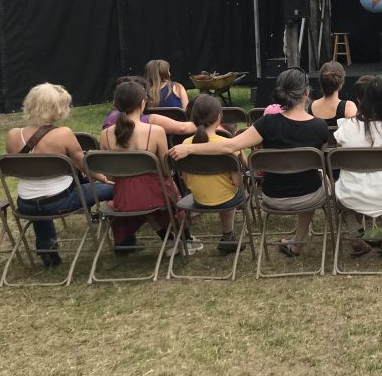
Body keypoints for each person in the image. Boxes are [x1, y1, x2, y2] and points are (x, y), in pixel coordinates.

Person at [169, 68, 330, 258]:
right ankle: (298, 242)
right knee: (320, 181)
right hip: (308, 197)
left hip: (271, 197)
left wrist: (189, 148)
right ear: (306, 93)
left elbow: (230, 146)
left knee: (311, 183)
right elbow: (319, 162)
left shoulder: (266, 123)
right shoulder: (320, 126)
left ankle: (296, 242)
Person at [6, 83, 114, 267]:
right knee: (117, 188)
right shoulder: (63, 134)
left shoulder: (13, 135)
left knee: (40, 196)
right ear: (55, 108)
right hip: (62, 201)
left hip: (26, 204)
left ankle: (47, 250)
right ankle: (126, 239)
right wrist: (104, 179)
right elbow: (85, 166)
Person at [100, 80, 199, 254]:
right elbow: (165, 170)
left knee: (152, 191)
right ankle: (183, 239)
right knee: (167, 189)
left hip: (123, 198)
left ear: (116, 105)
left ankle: (169, 239)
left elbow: (111, 176)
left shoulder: (105, 135)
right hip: (154, 196)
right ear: (142, 103)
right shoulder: (156, 131)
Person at [332, 75, 382, 255]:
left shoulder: (347, 125)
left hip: (350, 194)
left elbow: (337, 156)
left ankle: (355, 231)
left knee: (338, 187)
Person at [179, 94, 246, 253]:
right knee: (235, 192)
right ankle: (228, 236)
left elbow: (186, 181)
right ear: (219, 117)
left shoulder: (185, 144)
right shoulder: (228, 145)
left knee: (226, 192)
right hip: (227, 200)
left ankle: (228, 237)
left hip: (198, 200)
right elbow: (236, 183)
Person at [103, 76, 197, 136]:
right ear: (142, 101)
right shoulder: (150, 120)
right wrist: (206, 121)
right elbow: (183, 128)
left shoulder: (109, 123)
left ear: (116, 101)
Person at [311, 61, 358, 127]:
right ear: (341, 83)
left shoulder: (310, 107)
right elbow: (355, 132)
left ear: (321, 81)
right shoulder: (348, 107)